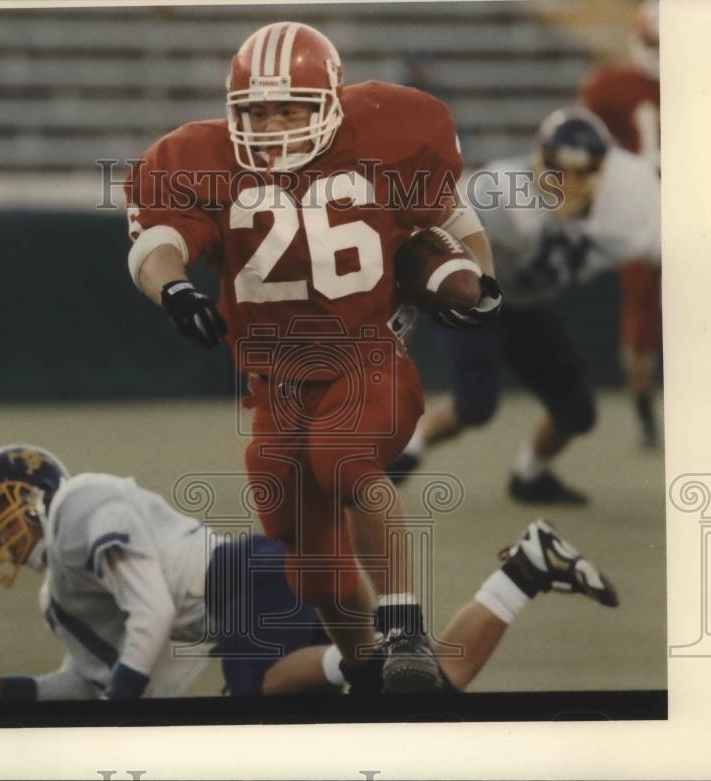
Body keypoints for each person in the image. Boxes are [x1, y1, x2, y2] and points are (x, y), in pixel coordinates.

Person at [122, 21, 502, 694]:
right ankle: (362, 667)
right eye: (256, 110)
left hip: (366, 355)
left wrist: (478, 282)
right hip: (274, 383)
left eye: (289, 107)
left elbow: (452, 216)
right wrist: (174, 288)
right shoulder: (197, 158)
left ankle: (406, 630)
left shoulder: (388, 130)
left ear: (328, 101)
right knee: (311, 562)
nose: (271, 124)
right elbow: (156, 244)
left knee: (345, 455)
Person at [0, 445, 619, 701]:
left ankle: (376, 653)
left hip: (242, 578)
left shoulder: (81, 506)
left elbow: (153, 615)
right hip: (246, 592)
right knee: (431, 692)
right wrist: (8, 689)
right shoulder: (59, 596)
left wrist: (122, 714)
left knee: (256, 694)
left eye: (0, 511)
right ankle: (526, 569)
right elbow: (86, 678)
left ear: (37, 492)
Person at [390, 107, 661, 504]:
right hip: (474, 293)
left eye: (581, 172)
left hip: (527, 303)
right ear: (538, 161)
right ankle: (408, 450)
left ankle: (528, 476)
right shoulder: (502, 193)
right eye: (556, 170)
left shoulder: (629, 212)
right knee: (476, 402)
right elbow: (429, 226)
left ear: (604, 172)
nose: (567, 183)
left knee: (576, 411)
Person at [579, 0, 662, 448]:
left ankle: (646, 414)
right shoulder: (613, 86)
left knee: (643, 318)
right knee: (643, 318)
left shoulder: (611, 84)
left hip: (649, 216)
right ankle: (646, 413)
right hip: (649, 213)